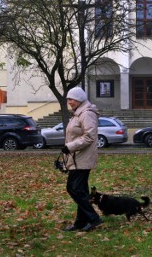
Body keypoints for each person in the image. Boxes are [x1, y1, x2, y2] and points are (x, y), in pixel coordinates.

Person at [61, 86, 103, 232]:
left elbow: (89, 137)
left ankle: (93, 218)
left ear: (79, 99)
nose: (69, 102)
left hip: (82, 158)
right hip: (77, 157)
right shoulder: (78, 113)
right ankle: (81, 222)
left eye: (71, 99)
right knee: (80, 190)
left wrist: (70, 146)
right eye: (68, 99)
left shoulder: (87, 114)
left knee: (74, 188)